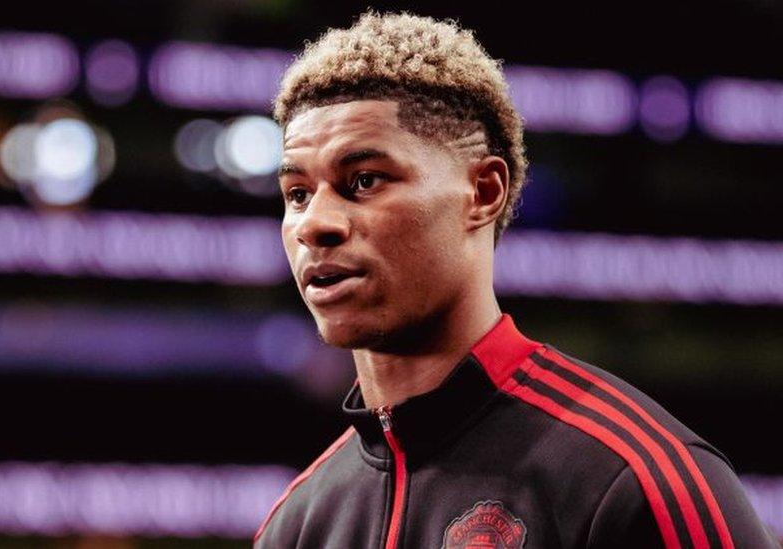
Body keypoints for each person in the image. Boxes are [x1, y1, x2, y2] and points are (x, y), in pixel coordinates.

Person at [252, 11, 778, 549]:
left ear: (483, 192)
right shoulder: (296, 525)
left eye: (363, 181)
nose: (314, 223)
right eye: (297, 193)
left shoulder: (639, 478)